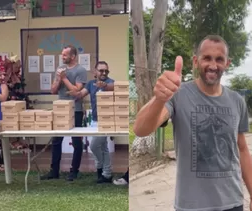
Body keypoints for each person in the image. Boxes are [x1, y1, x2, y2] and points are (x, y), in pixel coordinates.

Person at [133, 35, 252, 211]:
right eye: (207, 58)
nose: (213, 65)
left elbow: (242, 148)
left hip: (233, 202)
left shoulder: (237, 101)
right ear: (196, 61)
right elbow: (140, 129)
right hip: (191, 206)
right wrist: (159, 99)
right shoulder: (178, 94)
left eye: (219, 59)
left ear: (227, 63)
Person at [41, 45, 87, 181]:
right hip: (60, 109)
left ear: (73, 56)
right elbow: (53, 90)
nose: (62, 57)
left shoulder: (81, 70)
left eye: (65, 55)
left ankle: (74, 171)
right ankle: (54, 171)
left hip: (75, 110)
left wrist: (65, 78)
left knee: (76, 141)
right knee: (56, 140)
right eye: (62, 54)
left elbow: (76, 91)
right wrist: (59, 78)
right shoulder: (60, 70)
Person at [67, 61, 114, 183]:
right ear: (95, 71)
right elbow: (81, 94)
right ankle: (104, 174)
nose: (104, 73)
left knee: (94, 146)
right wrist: (74, 94)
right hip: (94, 121)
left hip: (106, 122)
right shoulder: (90, 84)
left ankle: (104, 170)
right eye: (101, 70)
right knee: (103, 148)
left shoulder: (110, 83)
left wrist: (104, 86)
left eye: (106, 71)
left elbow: (111, 87)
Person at [0, 68, 9, 172]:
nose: (2, 77)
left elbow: (3, 98)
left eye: (2, 75)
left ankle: (4, 163)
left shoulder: (3, 86)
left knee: (1, 139)